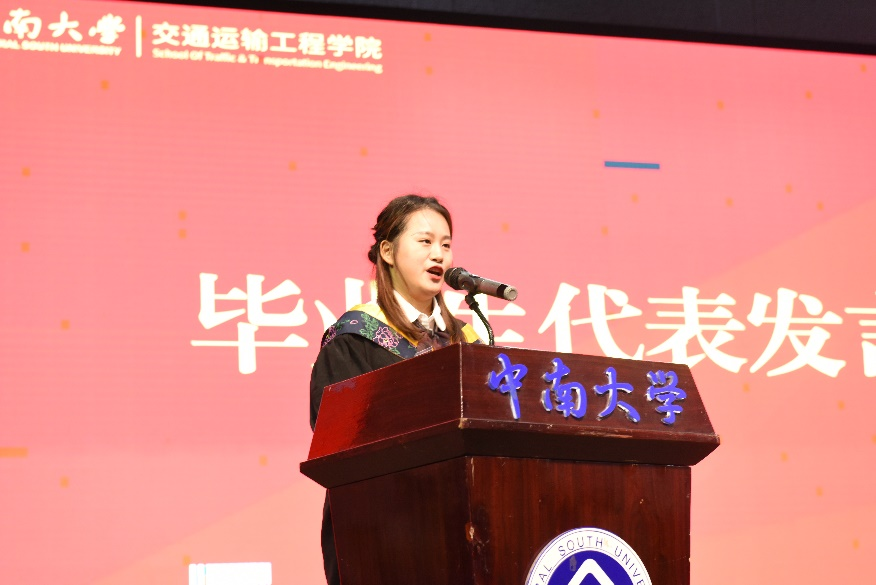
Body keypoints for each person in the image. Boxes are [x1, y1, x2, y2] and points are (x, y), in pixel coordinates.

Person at [309, 194, 481, 585]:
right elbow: (338, 443)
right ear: (387, 251)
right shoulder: (354, 339)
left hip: (460, 527)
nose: (438, 254)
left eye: (446, 244)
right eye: (425, 241)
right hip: (381, 533)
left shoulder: (468, 343)